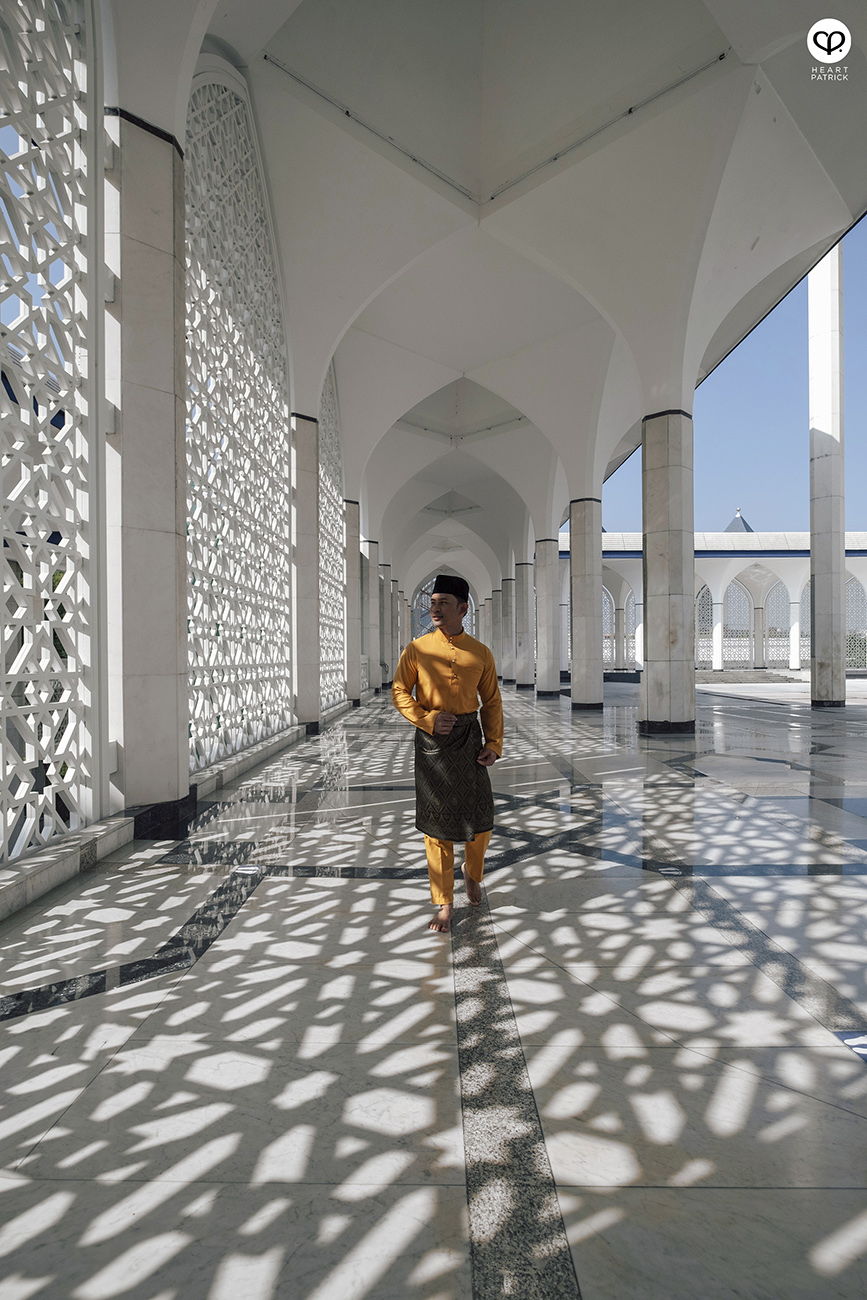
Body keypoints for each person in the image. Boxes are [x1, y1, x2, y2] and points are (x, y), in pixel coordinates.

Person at [392, 575, 503, 933]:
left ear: (463, 609)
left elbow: (492, 701)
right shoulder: (416, 649)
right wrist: (426, 719)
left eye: (443, 603)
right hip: (432, 745)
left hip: (470, 740)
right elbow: (399, 692)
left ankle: (473, 873)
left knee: (480, 818)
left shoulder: (480, 652)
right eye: (433, 602)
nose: (435, 608)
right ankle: (444, 902)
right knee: (436, 826)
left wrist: (493, 744)